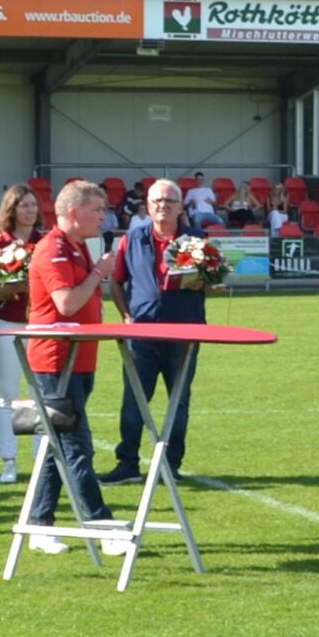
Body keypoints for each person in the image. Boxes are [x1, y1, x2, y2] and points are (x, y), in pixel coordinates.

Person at [22, 180, 121, 550]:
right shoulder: (54, 249)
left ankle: (40, 524)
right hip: (56, 361)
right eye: (97, 210)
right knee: (76, 445)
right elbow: (65, 303)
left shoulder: (76, 246)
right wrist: (99, 273)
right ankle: (101, 525)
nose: (103, 217)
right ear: (74, 213)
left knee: (56, 443)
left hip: (78, 359)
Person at [106, 179, 207, 487]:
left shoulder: (198, 239)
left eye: (169, 201)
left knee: (179, 402)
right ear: (147, 206)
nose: (163, 206)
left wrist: (204, 281)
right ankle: (127, 464)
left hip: (184, 334)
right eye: (157, 201)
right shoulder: (131, 239)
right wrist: (125, 316)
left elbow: (213, 281)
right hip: (141, 337)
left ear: (180, 207)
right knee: (134, 400)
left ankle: (171, 464)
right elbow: (115, 282)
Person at [0, 183, 47, 486]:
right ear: (12, 209)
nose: (30, 210)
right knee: (8, 394)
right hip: (7, 323)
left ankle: (40, 459)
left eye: (34, 205)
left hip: (42, 325)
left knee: (40, 393)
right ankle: (9, 461)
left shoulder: (45, 242)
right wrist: (12, 288)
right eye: (24, 205)